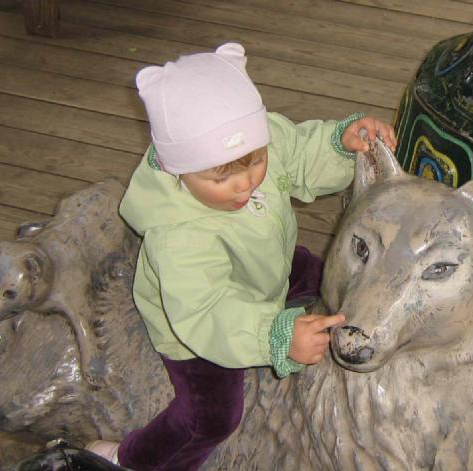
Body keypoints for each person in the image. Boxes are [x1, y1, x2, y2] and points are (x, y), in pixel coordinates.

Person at [87, 42, 397, 470]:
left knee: (333, 277)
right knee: (212, 416)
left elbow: (298, 153)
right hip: (196, 321)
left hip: (266, 266)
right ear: (178, 169)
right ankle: (128, 458)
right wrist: (276, 336)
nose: (245, 184)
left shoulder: (254, 143)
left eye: (255, 162)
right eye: (221, 177)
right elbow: (209, 310)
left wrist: (340, 145)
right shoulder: (178, 236)